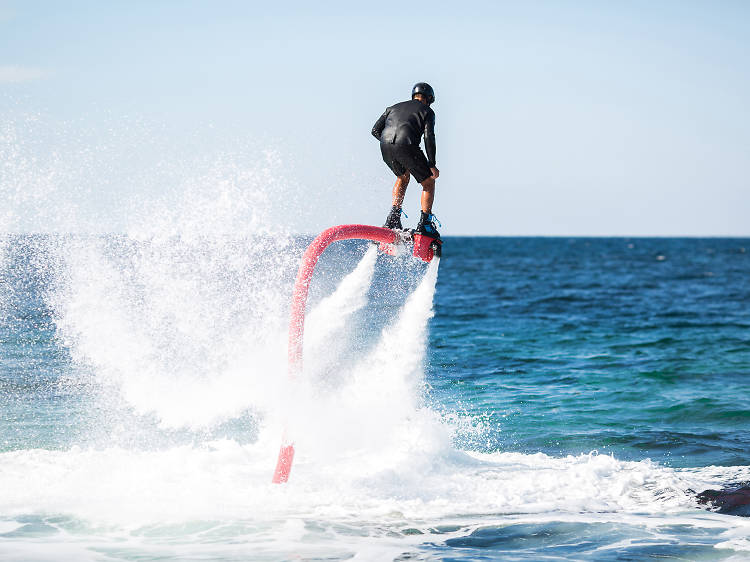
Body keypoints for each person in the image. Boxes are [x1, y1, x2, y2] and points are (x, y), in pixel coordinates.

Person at [371, 82, 441, 238]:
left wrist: (390, 144)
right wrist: (432, 164)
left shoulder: (392, 108)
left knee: (402, 177)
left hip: (385, 146)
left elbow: (375, 130)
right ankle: (425, 224)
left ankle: (393, 219)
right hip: (407, 146)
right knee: (429, 181)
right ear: (429, 98)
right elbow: (429, 137)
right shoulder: (427, 111)